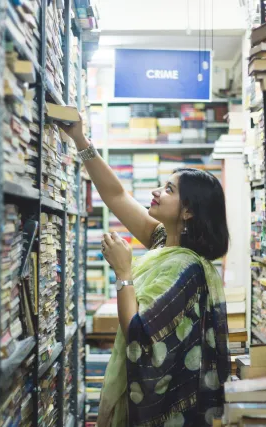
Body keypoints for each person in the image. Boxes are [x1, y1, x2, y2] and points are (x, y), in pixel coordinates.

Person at [58, 117, 230, 427]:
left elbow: (137, 333)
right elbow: (116, 196)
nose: (156, 192)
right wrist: (80, 140)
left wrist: (123, 272)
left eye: (168, 190)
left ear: (188, 211)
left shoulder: (187, 270)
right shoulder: (163, 239)